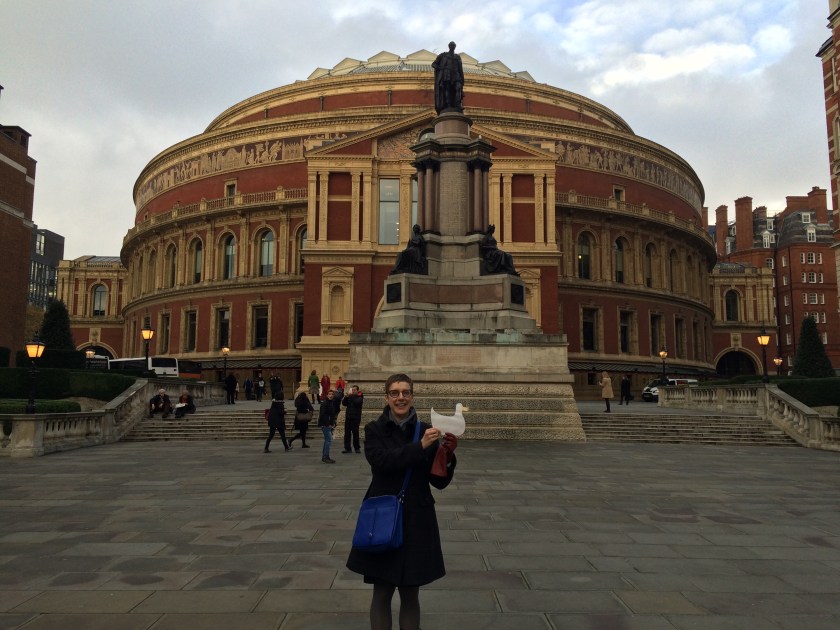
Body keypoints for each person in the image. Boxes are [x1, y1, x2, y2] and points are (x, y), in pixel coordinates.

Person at [346, 373, 458, 630]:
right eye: (395, 393)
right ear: (386, 398)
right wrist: (420, 446)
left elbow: (438, 481)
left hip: (417, 521)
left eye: (406, 392)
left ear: (412, 397)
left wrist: (447, 456)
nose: (401, 398)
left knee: (410, 594)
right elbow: (382, 463)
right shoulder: (374, 430)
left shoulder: (425, 430)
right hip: (384, 518)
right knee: (382, 592)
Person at [432, 41, 464, 113]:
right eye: (451, 45)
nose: (452, 47)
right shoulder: (443, 55)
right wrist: (440, 68)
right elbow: (433, 64)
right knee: (447, 89)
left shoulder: (457, 57)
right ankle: (448, 105)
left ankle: (457, 105)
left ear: (455, 47)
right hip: (447, 75)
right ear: (449, 46)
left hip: (456, 75)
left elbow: (460, 69)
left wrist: (462, 79)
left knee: (458, 89)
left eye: (453, 46)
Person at [341, 385, 364, 454]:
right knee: (347, 434)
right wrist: (346, 397)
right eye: (352, 390)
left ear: (357, 390)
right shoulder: (350, 397)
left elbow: (357, 402)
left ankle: (357, 448)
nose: (353, 391)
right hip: (348, 417)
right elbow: (344, 403)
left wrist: (351, 396)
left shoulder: (360, 396)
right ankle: (347, 448)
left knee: (355, 433)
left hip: (356, 418)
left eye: (354, 390)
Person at [318, 389, 338, 463]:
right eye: (329, 394)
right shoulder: (325, 403)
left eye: (332, 394)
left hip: (328, 424)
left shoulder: (331, 402)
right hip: (325, 424)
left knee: (327, 440)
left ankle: (325, 456)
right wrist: (328, 424)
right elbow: (323, 415)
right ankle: (325, 456)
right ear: (327, 395)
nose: (331, 395)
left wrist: (333, 422)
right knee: (328, 440)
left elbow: (332, 414)